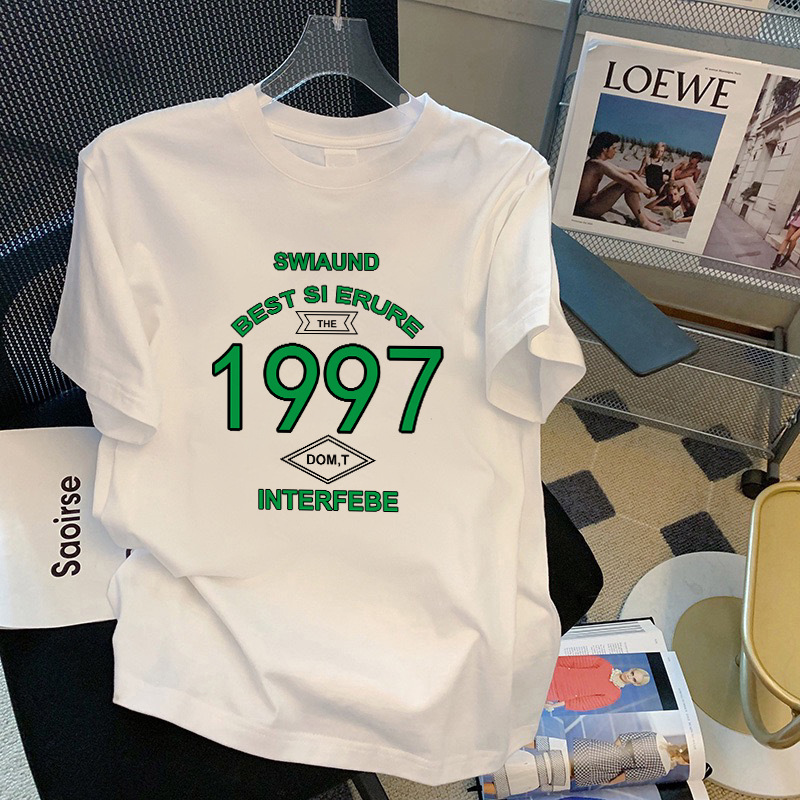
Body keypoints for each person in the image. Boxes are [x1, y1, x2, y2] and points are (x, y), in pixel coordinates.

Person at [574, 131, 662, 232]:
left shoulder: (598, 162)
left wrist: (646, 188)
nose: (615, 151)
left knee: (628, 178)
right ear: (605, 149)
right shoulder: (598, 165)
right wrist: (649, 192)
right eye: (614, 148)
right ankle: (643, 221)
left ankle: (643, 217)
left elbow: (629, 173)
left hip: (590, 203)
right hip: (585, 210)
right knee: (626, 184)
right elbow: (631, 184)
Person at [571, 732, 689, 787]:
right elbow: (629, 774)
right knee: (571, 774)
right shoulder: (663, 768)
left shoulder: (657, 737)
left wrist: (612, 751)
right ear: (685, 762)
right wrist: (610, 782)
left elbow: (623, 738)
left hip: (605, 750)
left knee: (571, 759)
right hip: (610, 770)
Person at [544, 655, 651, 712]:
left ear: (635, 684)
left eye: (634, 679)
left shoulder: (613, 695)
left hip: (553, 693)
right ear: (631, 669)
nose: (629, 676)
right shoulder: (605, 665)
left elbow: (583, 704)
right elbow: (573, 661)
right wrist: (548, 663)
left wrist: (554, 705)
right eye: (632, 673)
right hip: (550, 671)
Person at [771, 202, 800, 269]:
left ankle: (787, 255)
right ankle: (776, 260)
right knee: (787, 239)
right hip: (797, 218)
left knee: (792, 239)